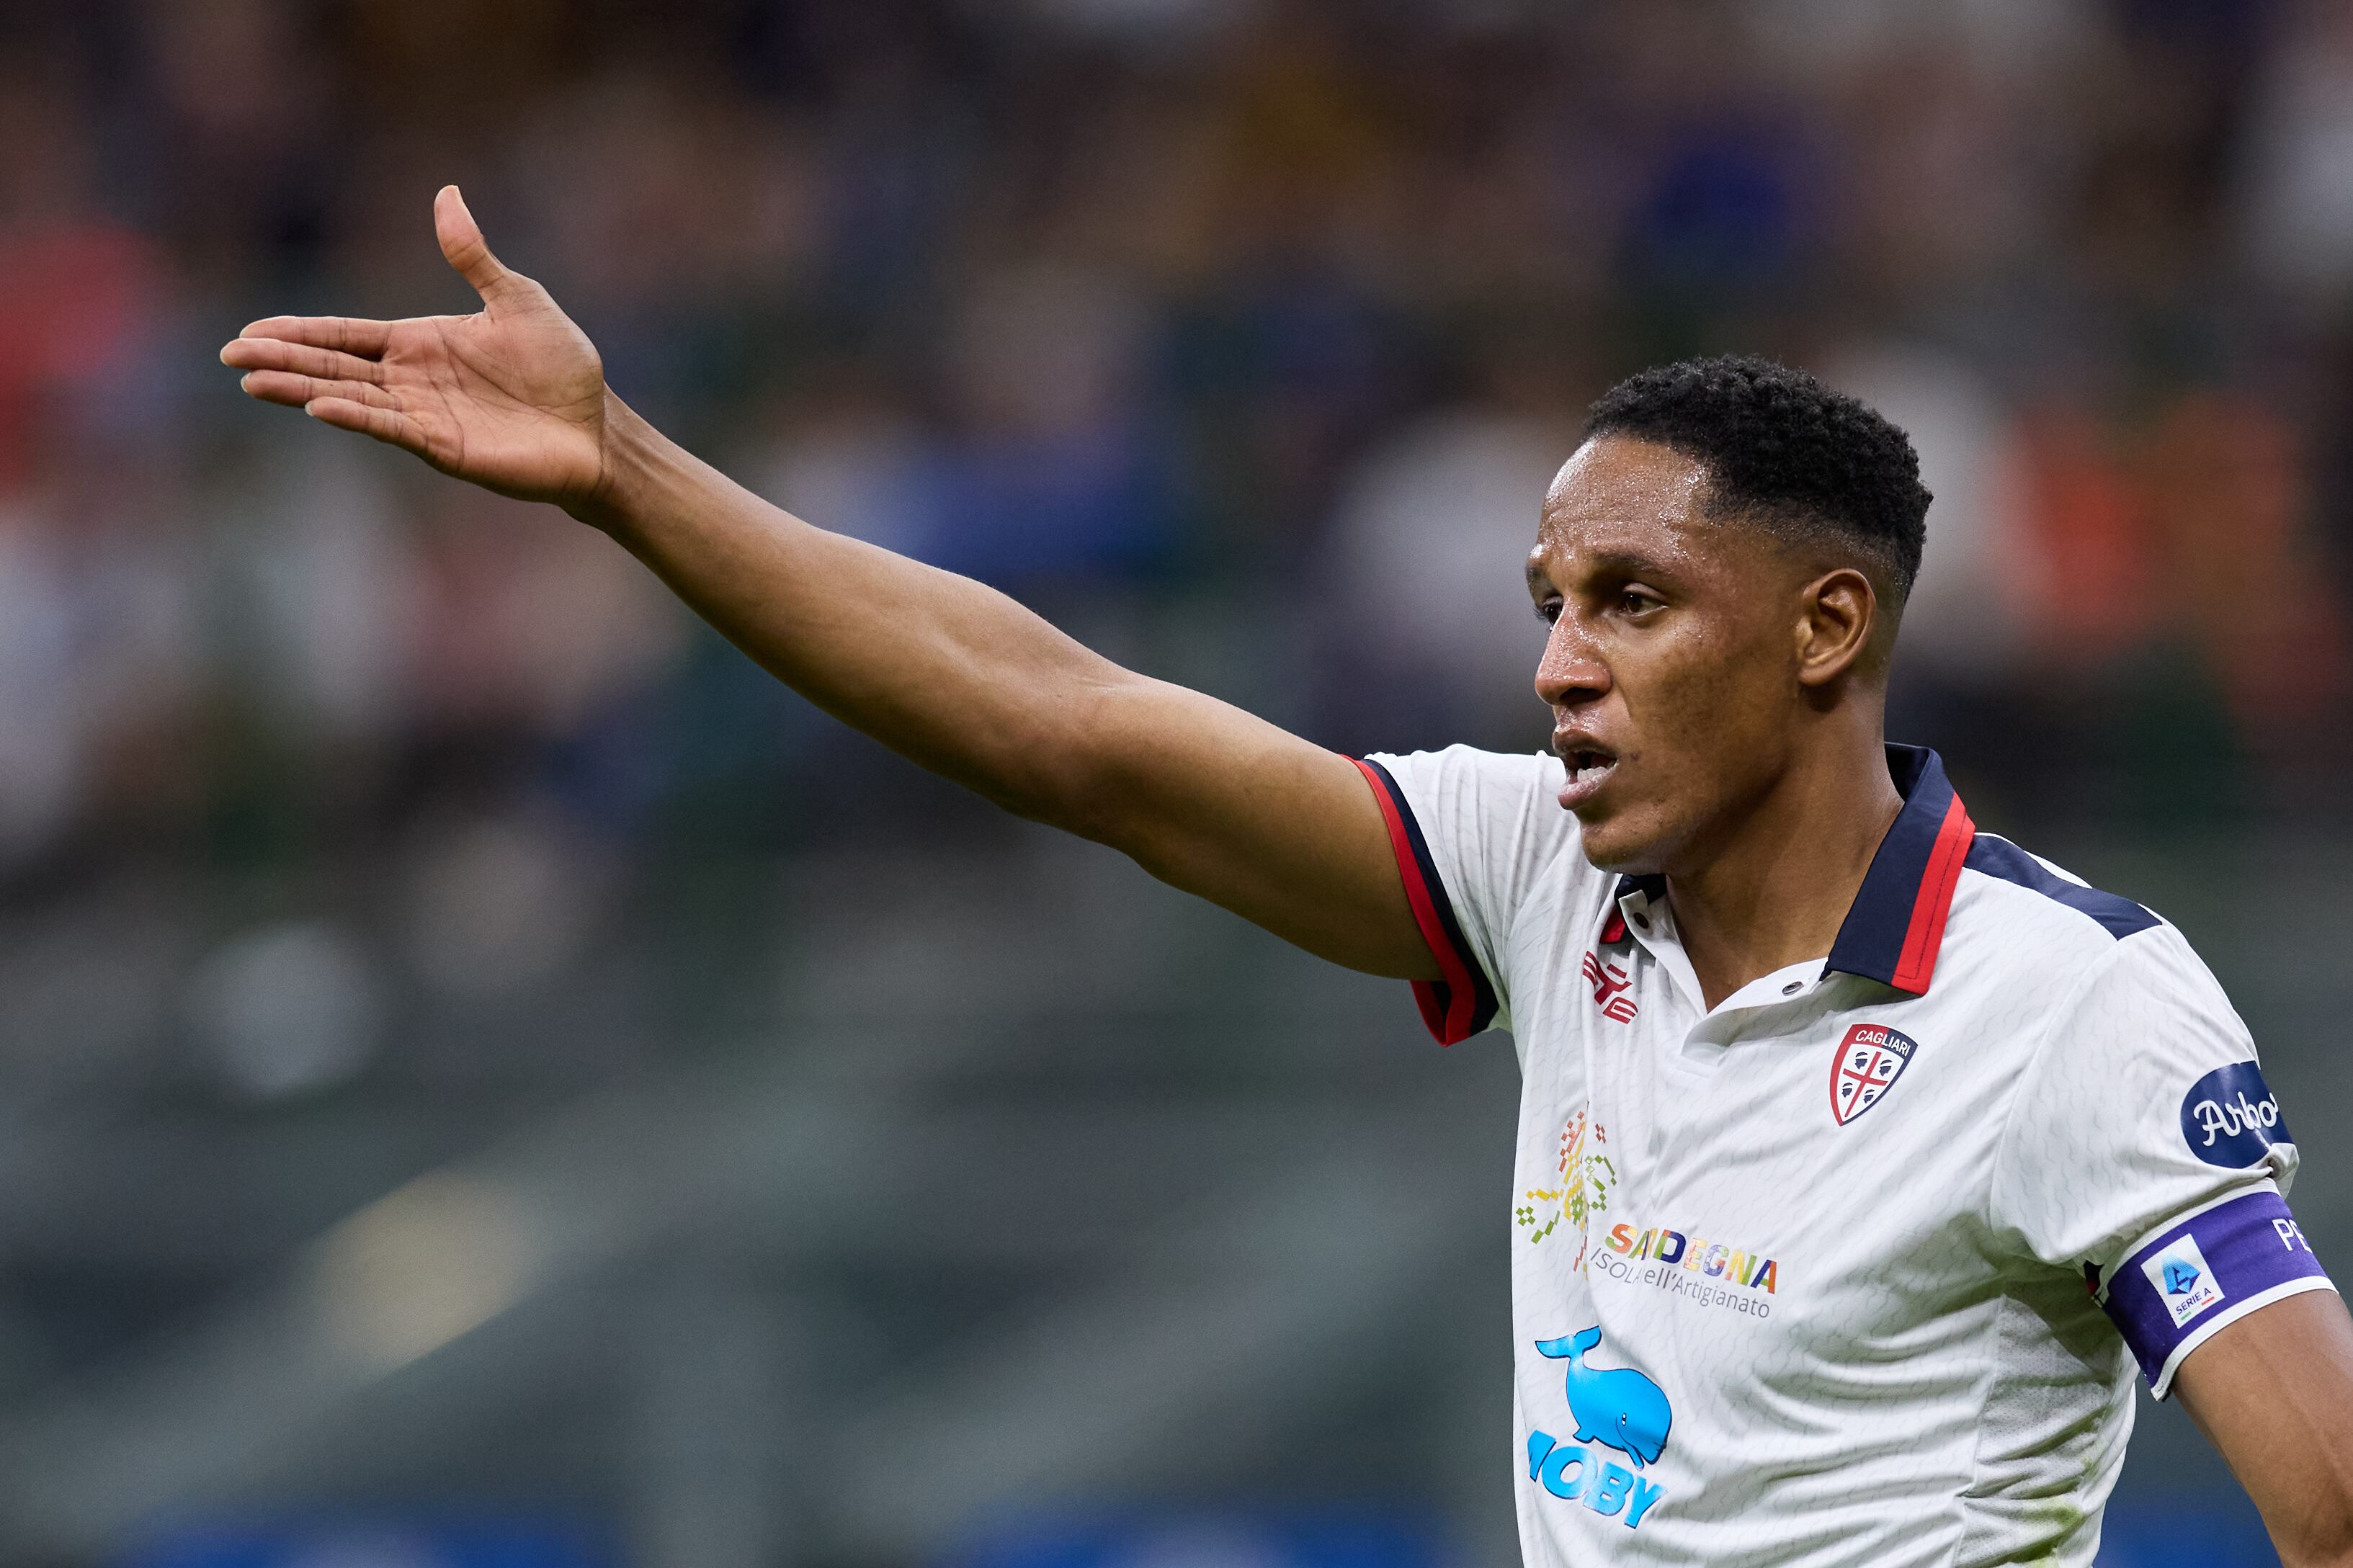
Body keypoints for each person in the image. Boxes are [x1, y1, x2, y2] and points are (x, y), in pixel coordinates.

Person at [221, 188, 2353, 1567]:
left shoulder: (2065, 1003)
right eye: (1548, 599)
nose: (1556, 663)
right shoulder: (1546, 870)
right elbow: (1066, 724)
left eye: (1629, 600)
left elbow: (2330, 1498)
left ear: (1822, 631)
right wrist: (627, 475)